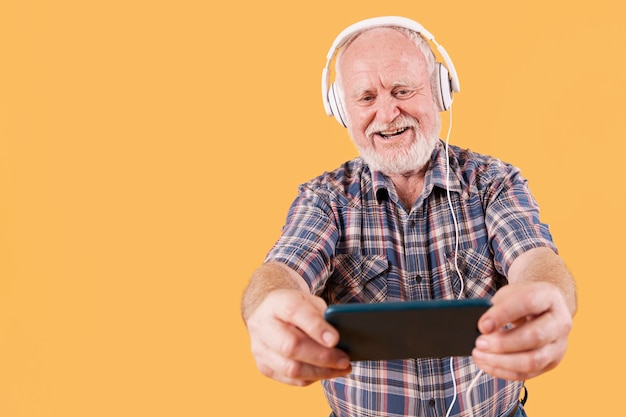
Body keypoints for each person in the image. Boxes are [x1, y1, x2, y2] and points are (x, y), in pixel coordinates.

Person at [241, 16, 576, 417]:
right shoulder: (326, 198)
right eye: (366, 98)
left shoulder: (493, 182)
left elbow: (536, 259)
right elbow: (282, 271)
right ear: (341, 109)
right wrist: (267, 306)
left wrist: (550, 296)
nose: (386, 113)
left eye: (402, 90)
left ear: (439, 90)